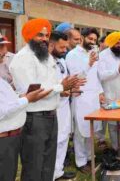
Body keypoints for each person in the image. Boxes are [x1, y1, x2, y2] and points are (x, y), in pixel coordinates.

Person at [9, 18, 79, 181]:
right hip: (34, 119)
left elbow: (52, 84)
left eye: (46, 35)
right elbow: (32, 93)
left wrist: (62, 90)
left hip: (51, 116)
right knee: (34, 166)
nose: (44, 39)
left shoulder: (45, 56)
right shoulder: (23, 58)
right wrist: (61, 87)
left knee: (48, 163)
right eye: (40, 35)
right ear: (29, 35)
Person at [66, 27, 103, 174]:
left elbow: (95, 76)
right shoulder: (72, 55)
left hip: (93, 97)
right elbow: (76, 78)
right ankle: (80, 161)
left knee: (91, 129)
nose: (92, 42)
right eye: (90, 39)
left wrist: (100, 92)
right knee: (81, 131)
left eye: (95, 40)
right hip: (80, 96)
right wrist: (89, 63)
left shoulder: (93, 53)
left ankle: (90, 157)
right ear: (82, 37)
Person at [0, 78, 52, 181]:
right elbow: (2, 111)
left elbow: (7, 102)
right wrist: (27, 99)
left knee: (9, 174)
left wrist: (23, 97)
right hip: (4, 139)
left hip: (11, 138)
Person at [49, 31, 77, 180]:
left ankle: (58, 171)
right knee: (55, 141)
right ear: (51, 44)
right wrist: (60, 91)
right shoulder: (44, 62)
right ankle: (50, 174)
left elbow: (65, 81)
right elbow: (44, 87)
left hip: (65, 106)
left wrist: (72, 89)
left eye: (66, 47)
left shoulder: (62, 61)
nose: (65, 50)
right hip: (52, 108)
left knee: (64, 138)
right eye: (62, 47)